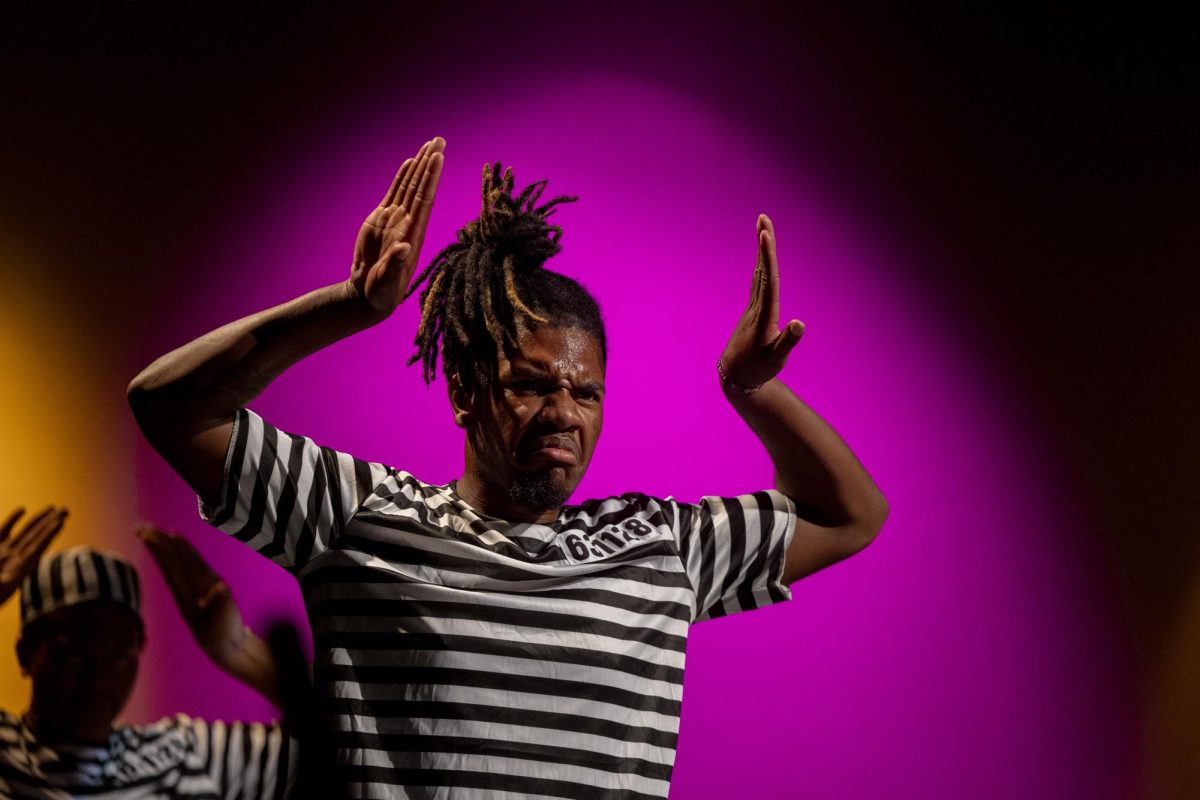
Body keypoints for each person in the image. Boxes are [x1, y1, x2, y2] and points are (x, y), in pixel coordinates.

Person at [127, 137, 889, 799]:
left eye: (586, 392)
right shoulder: (358, 517)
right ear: (462, 390)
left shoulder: (661, 546)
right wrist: (349, 306)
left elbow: (849, 514)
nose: (564, 412)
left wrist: (753, 391)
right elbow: (170, 405)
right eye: (531, 384)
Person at [0, 506, 296, 798]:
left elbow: (337, 745)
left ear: (140, 647)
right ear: (25, 653)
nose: (96, 676)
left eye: (119, 656)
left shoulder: (185, 757)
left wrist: (237, 650)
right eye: (71, 654)